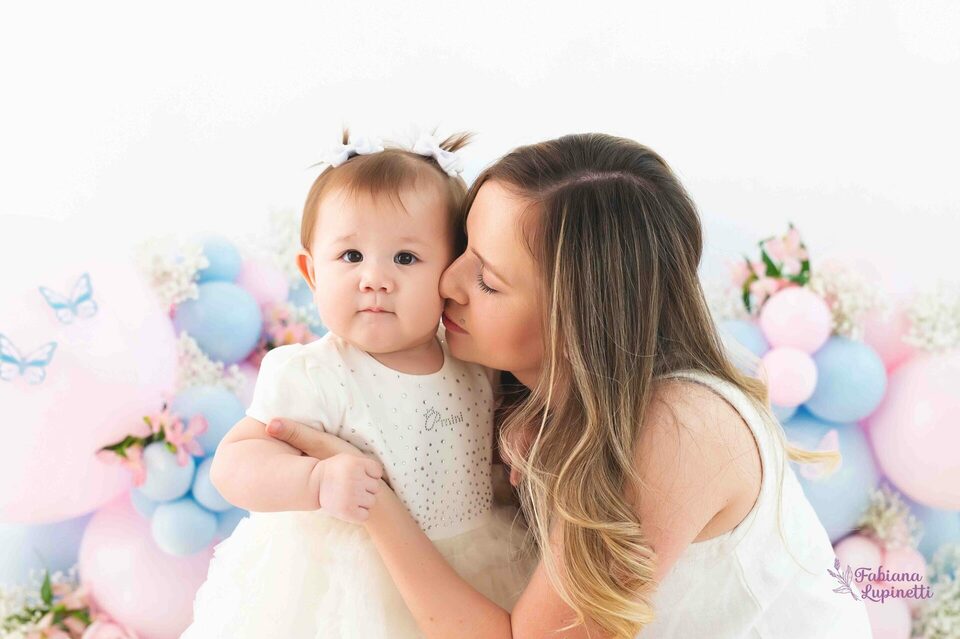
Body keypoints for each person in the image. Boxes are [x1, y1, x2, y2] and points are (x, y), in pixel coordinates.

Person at [263, 133, 875, 638]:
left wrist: (376, 503)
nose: (447, 281)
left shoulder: (679, 429)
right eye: (463, 247)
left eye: (488, 280)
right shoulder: (520, 394)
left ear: (576, 318)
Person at [181, 130, 536, 639]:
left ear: (451, 270)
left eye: (405, 258)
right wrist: (316, 481)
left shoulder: (470, 359)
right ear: (311, 272)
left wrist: (517, 443)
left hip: (473, 563)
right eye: (350, 256)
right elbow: (234, 464)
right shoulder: (314, 372)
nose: (374, 279)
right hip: (352, 575)